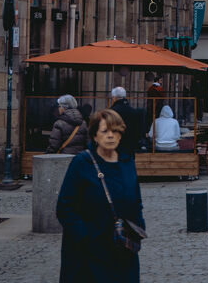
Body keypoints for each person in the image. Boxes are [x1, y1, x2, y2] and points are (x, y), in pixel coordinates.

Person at [56, 109, 145, 283]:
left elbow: (136, 200)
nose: (111, 136)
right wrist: (85, 236)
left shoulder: (126, 162)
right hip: (89, 252)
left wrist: (137, 226)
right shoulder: (82, 163)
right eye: (105, 131)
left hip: (121, 248)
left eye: (115, 131)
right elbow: (65, 207)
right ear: (95, 136)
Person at [108, 87, 147, 156]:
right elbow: (139, 133)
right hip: (129, 150)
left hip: (114, 150)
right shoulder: (135, 112)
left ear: (114, 98)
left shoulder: (110, 113)